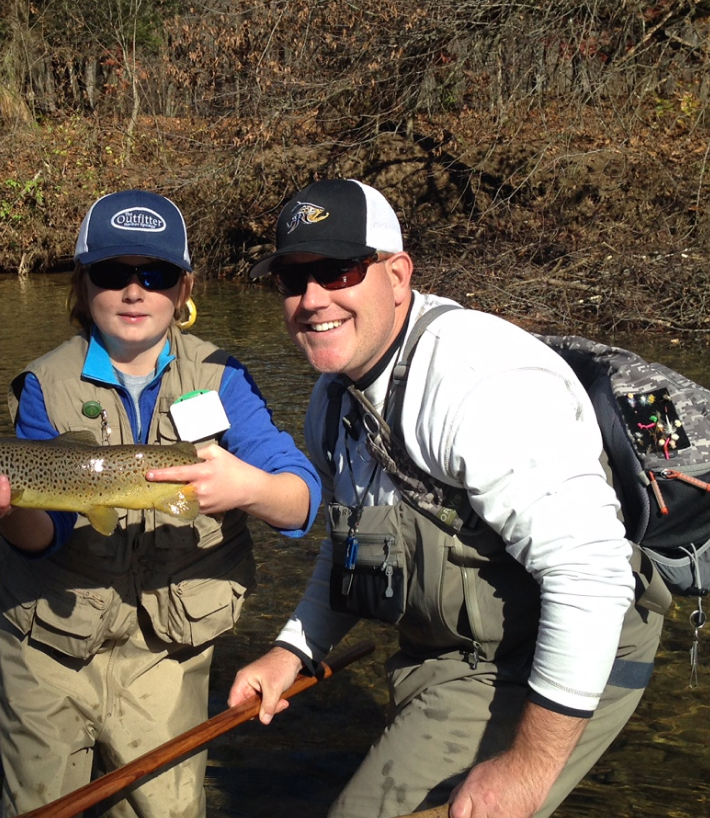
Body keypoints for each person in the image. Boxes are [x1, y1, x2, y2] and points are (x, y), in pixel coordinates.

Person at [228, 179, 668, 818]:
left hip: (568, 648)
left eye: (339, 269)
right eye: (293, 280)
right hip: (459, 656)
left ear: (398, 275)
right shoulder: (332, 401)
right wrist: (293, 650)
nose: (312, 299)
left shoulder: (474, 381)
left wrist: (525, 770)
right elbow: (351, 546)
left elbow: (592, 577)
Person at [0, 189, 321, 818]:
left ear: (184, 286)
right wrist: (8, 512)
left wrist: (246, 487)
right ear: (82, 286)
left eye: (157, 274)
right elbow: (48, 537)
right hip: (49, 645)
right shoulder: (44, 384)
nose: (135, 291)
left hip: (169, 654)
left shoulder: (222, 377)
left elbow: (300, 500)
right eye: (114, 274)